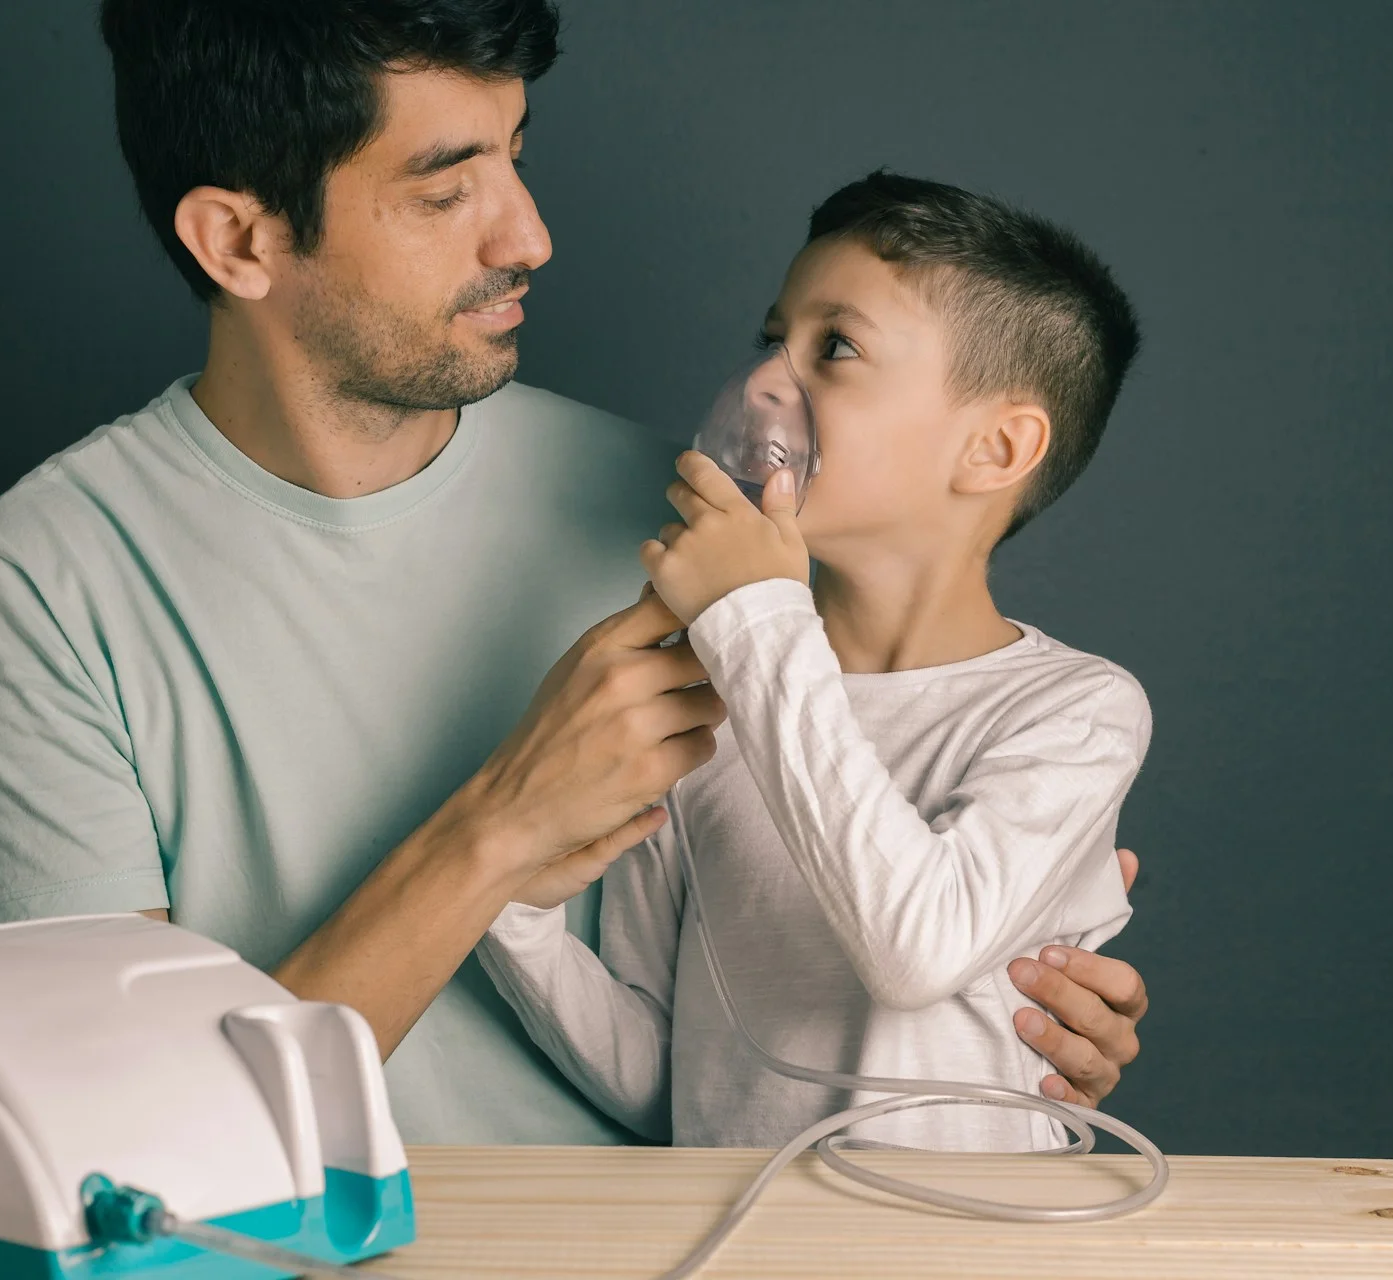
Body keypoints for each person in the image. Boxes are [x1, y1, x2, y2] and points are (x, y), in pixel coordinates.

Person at [0, 0, 1150, 1145]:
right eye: (447, 191)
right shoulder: (42, 588)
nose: (532, 236)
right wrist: (496, 831)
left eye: (518, 152)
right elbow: (98, 1154)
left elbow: (852, 950)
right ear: (239, 237)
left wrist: (996, 1030)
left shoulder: (698, 529)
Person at [478, 173, 1147, 1150]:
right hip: (747, 1245)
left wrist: (755, 612)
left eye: (835, 346)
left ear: (997, 446)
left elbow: (919, 947)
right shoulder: (706, 697)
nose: (761, 384)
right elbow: (662, 1082)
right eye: (770, 339)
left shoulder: (1075, 710)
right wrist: (510, 901)